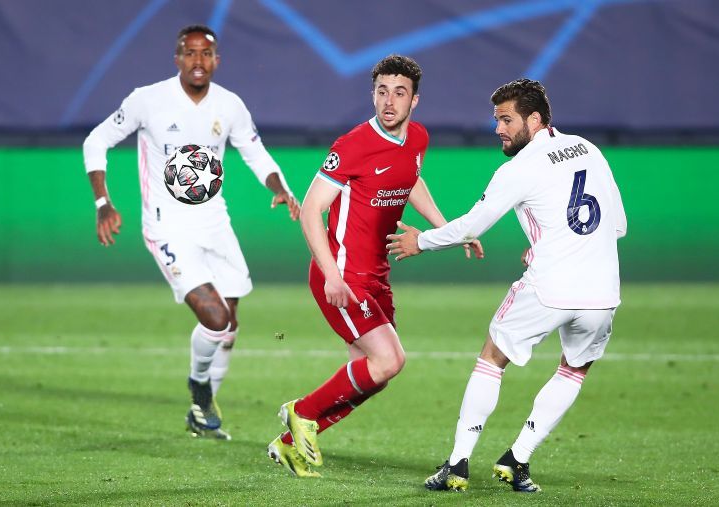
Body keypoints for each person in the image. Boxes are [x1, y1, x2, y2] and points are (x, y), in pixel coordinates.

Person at [387, 78, 627, 492]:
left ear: (534, 120)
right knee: (574, 369)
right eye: (496, 119)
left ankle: (458, 465)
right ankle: (518, 459)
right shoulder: (589, 149)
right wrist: (547, 242)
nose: (498, 128)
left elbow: (472, 225)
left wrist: (421, 241)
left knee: (492, 357)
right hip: (602, 292)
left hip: (551, 286)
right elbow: (618, 224)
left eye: (506, 119)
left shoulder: (519, 168)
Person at [266, 55, 483, 478]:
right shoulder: (351, 146)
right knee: (389, 361)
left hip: (377, 275)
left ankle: (291, 443)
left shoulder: (417, 138)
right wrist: (330, 275)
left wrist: (450, 230)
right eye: (382, 91)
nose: (389, 101)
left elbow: (411, 178)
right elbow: (312, 212)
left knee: (372, 375)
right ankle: (300, 412)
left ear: (414, 100)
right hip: (343, 275)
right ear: (373, 94)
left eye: (399, 92)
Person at [82, 24, 300, 441]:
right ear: (177, 58)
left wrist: (281, 190)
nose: (198, 61)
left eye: (206, 54)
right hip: (168, 226)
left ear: (217, 61)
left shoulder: (230, 105)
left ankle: (200, 416)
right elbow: (96, 141)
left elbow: (255, 152)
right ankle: (199, 387)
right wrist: (103, 202)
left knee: (230, 326)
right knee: (215, 319)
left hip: (215, 223)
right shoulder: (148, 100)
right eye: (189, 52)